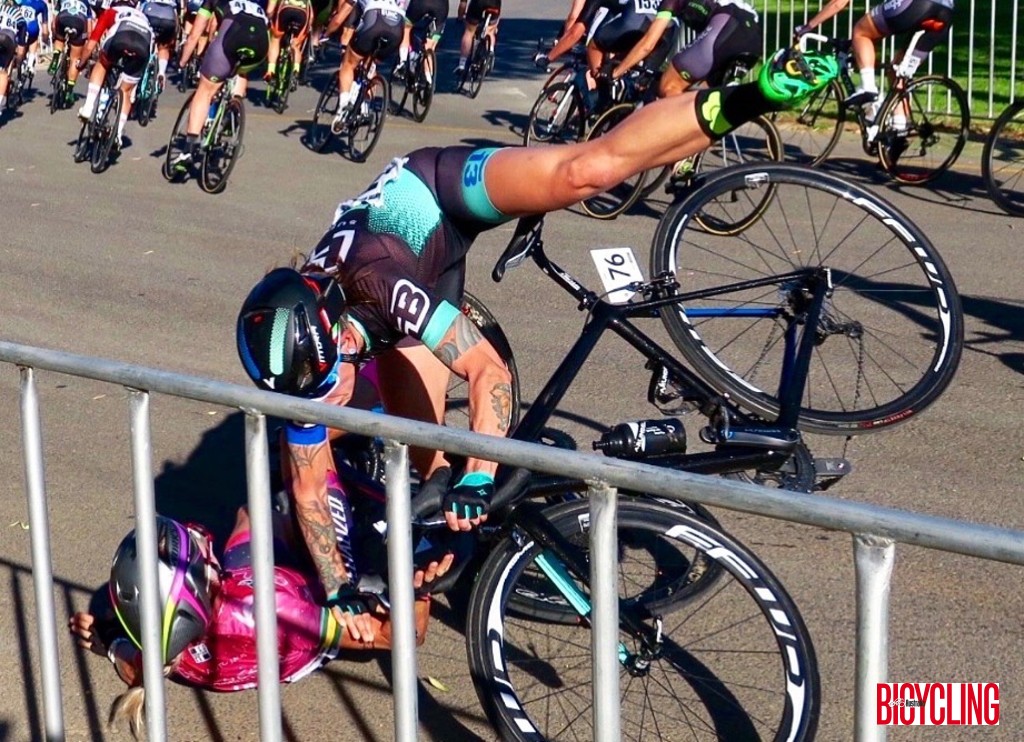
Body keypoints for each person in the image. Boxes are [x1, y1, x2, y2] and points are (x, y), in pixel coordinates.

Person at [234, 49, 839, 642]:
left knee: (589, 172)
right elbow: (310, 488)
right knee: (431, 459)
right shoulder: (308, 357)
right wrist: (339, 587)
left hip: (435, 190)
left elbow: (486, 369)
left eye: (329, 377)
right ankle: (473, 533)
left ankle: (753, 93)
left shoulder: (379, 285)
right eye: (316, 389)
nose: (328, 394)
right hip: (404, 286)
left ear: (334, 325)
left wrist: (479, 479)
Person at [69, 511, 431, 737]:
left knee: (255, 512)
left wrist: (112, 644)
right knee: (268, 509)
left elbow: (135, 665)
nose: (201, 543)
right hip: (290, 602)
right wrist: (419, 577)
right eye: (198, 552)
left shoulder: (167, 655)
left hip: (243, 613)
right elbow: (400, 636)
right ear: (201, 584)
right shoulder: (281, 614)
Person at [794, 0, 955, 109]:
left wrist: (808, 27)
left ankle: (868, 87)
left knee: (861, 32)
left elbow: (838, 3)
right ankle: (899, 130)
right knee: (898, 72)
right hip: (946, 12)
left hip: (916, 5)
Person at [170, 0, 269, 173]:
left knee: (205, 92)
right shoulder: (254, 3)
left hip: (234, 36)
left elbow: (197, 33)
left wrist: (183, 60)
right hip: (260, 42)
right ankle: (234, 108)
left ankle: (187, 151)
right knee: (240, 71)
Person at [612, 0, 762, 99]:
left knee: (669, 85)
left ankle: (675, 140)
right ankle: (693, 140)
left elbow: (648, 44)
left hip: (726, 26)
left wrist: (618, 71)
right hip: (754, 39)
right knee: (703, 98)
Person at [75, 0, 154, 148]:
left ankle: (88, 107)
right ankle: (117, 133)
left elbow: (91, 45)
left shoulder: (110, 12)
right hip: (143, 43)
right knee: (126, 90)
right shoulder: (143, 17)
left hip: (121, 36)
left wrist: (81, 63)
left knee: (103, 64)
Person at [323, 0, 405, 130]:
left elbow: (339, 19)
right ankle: (365, 109)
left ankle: (344, 105)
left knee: (348, 64)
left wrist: (326, 35)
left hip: (374, 22)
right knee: (371, 67)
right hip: (396, 29)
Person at [48, 0, 93, 108]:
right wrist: (86, 40)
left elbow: (54, 21)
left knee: (60, 40)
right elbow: (90, 27)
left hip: (63, 17)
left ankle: (56, 56)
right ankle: (69, 90)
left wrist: (55, 35)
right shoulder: (86, 2)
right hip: (79, 22)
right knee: (74, 58)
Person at [394, 0, 445, 83]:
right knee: (430, 46)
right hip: (441, 6)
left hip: (421, 3)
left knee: (407, 28)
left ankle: (402, 62)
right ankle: (429, 81)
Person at [264, 0, 311, 88]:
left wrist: (268, 18)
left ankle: (270, 71)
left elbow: (270, 10)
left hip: (285, 9)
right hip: (303, 12)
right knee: (296, 44)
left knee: (276, 39)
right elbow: (311, 14)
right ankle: (296, 71)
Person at [0, 1, 32, 114]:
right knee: (3, 72)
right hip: (8, 39)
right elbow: (22, 47)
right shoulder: (19, 16)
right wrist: (19, 60)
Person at [139, 0, 177, 91]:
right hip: (169, 13)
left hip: (150, 10)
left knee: (142, 40)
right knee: (164, 46)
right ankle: (161, 72)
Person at [454, 0, 498, 77]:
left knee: (469, 31)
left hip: (478, 3)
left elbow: (463, 3)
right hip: (494, 3)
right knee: (491, 30)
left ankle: (462, 64)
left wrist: (460, 17)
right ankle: (490, 51)